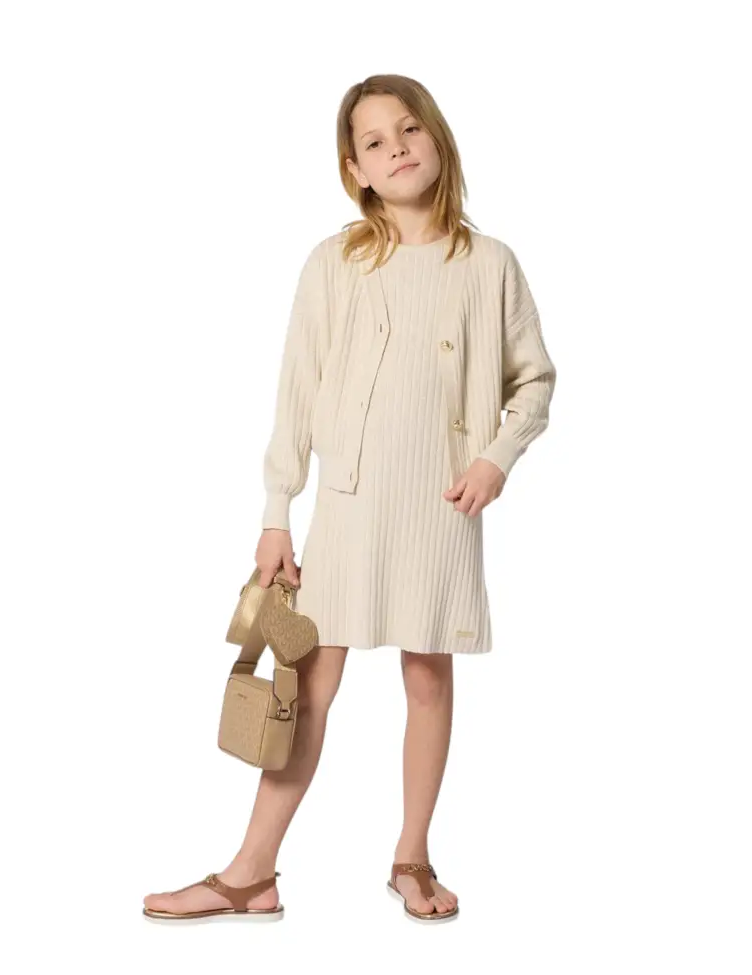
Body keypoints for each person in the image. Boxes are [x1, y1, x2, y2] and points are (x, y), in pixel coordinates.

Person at [143, 73, 556, 924]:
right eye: (374, 141)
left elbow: (535, 381)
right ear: (355, 169)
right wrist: (275, 512)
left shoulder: (489, 264)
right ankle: (252, 870)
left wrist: (496, 459)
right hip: (348, 505)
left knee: (428, 677)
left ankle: (413, 857)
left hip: (441, 506)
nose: (396, 148)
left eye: (409, 129)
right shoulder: (334, 263)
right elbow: (297, 393)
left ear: (437, 138)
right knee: (308, 685)